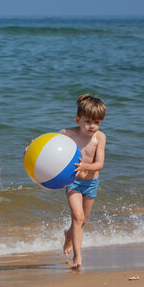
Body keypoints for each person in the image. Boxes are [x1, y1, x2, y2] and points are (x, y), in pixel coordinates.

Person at [60, 94, 107, 270]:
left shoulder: (100, 138)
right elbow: (47, 145)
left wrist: (86, 166)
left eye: (96, 122)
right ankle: (77, 256)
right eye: (88, 122)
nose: (92, 126)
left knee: (83, 220)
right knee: (77, 217)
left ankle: (68, 234)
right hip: (72, 182)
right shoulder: (67, 134)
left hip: (91, 183)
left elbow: (99, 164)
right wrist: (31, 148)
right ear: (78, 119)